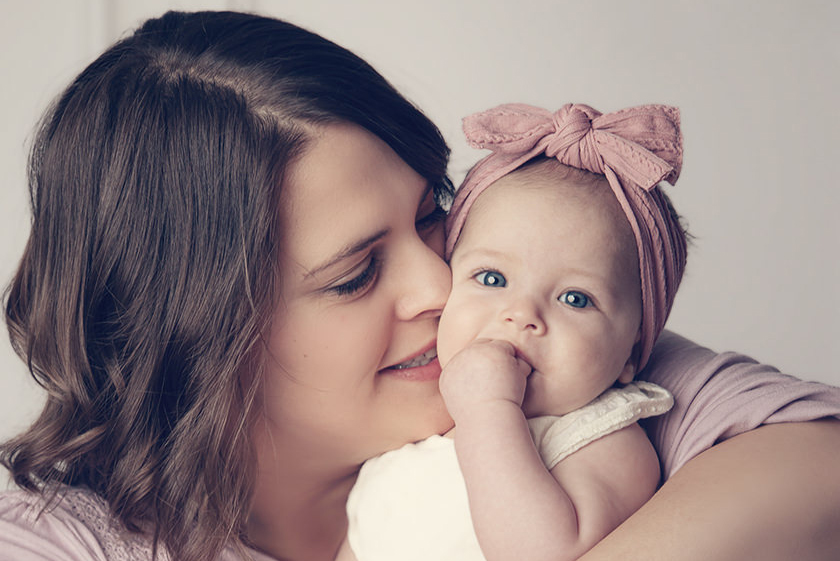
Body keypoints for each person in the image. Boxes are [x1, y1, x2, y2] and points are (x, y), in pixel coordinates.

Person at [0, 10, 839, 561]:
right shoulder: (54, 541)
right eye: (356, 274)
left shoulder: (547, 361)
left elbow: (819, 463)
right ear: (190, 332)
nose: (443, 283)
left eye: (434, 214)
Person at [345, 102, 684, 561]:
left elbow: (539, 552)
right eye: (491, 279)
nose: (522, 314)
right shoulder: (416, 421)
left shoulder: (602, 439)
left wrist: (489, 411)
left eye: (575, 299)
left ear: (630, 352)